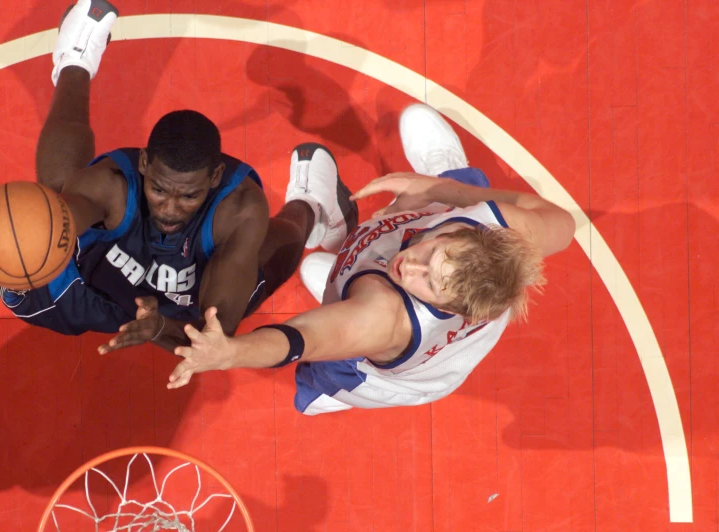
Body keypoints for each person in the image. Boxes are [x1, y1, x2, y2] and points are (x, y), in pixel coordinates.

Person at [0, 0, 358, 356]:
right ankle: (74, 60)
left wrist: (159, 328)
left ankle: (312, 202)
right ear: (144, 164)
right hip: (86, 285)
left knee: (269, 252)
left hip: (180, 304)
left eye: (188, 196)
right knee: (58, 191)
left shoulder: (238, 208)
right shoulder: (111, 185)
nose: (169, 208)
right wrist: (9, 233)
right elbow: (57, 216)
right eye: (159, 190)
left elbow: (215, 336)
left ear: (215, 177)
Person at [165, 103, 576, 415]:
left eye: (428, 283)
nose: (409, 267)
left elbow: (297, 340)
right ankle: (448, 174)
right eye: (431, 253)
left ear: (449, 306)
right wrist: (446, 189)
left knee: (328, 350)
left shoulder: (382, 317)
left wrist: (228, 353)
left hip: (382, 365)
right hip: (423, 269)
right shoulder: (506, 235)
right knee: (437, 197)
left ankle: (340, 350)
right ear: (459, 231)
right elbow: (562, 221)